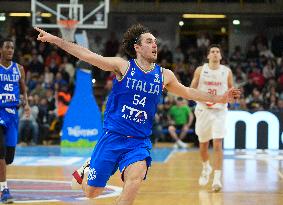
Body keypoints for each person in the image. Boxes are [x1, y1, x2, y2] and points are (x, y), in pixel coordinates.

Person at [35, 25, 240, 205]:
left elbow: (188, 92)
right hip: (113, 137)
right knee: (91, 192)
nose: (154, 45)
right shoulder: (123, 66)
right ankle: (87, 170)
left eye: (155, 42)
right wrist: (55, 40)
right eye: (149, 41)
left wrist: (221, 98)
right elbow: (87, 55)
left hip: (138, 142)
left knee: (135, 178)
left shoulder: (164, 75)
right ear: (137, 47)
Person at [190, 44, 234, 192]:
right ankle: (206, 167)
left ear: (221, 56)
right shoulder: (200, 70)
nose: (215, 54)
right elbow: (191, 89)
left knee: (217, 144)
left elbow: (231, 93)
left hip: (219, 111)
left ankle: (217, 179)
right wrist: (204, 96)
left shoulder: (226, 72)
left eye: (217, 52)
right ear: (208, 56)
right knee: (203, 146)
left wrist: (231, 97)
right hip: (203, 110)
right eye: (212, 52)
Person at [0, 38, 30, 203]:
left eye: (12, 47)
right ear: (1, 50)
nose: (10, 49)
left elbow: (23, 90)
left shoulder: (19, 69)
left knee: (8, 158)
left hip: (12, 116)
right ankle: (4, 190)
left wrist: (26, 105)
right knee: (1, 154)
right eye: (7, 47)